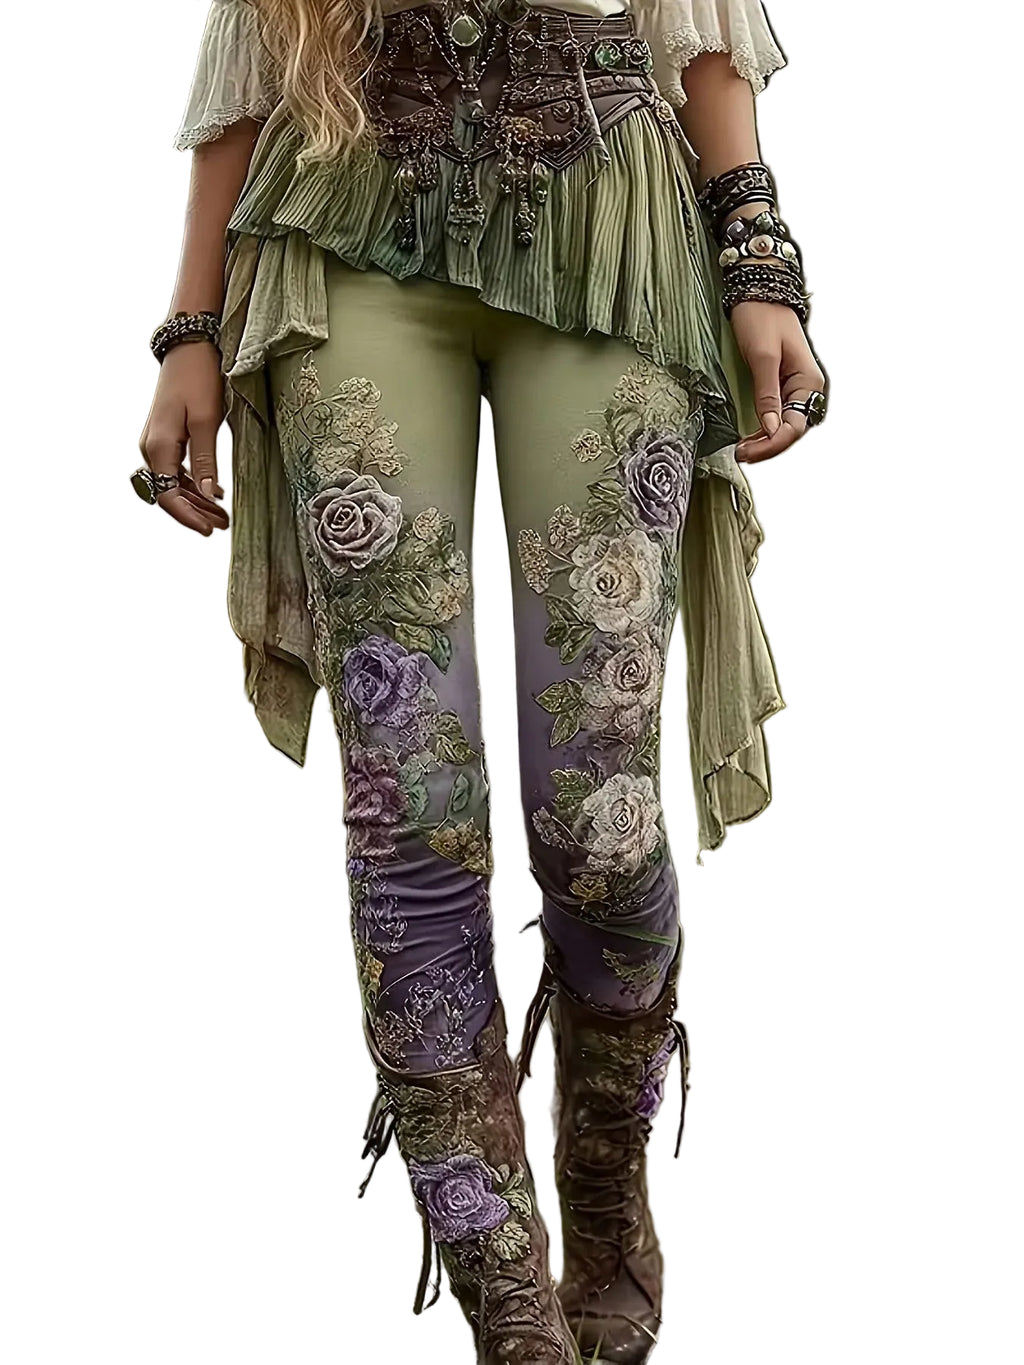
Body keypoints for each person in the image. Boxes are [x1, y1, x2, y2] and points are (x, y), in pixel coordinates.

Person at [135, 2, 826, 1360]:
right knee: (412, 813)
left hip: (607, 212)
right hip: (349, 216)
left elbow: (696, 19)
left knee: (599, 818)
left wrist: (756, 255)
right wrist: (191, 324)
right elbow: (253, 36)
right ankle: (510, 1306)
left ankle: (603, 1177)